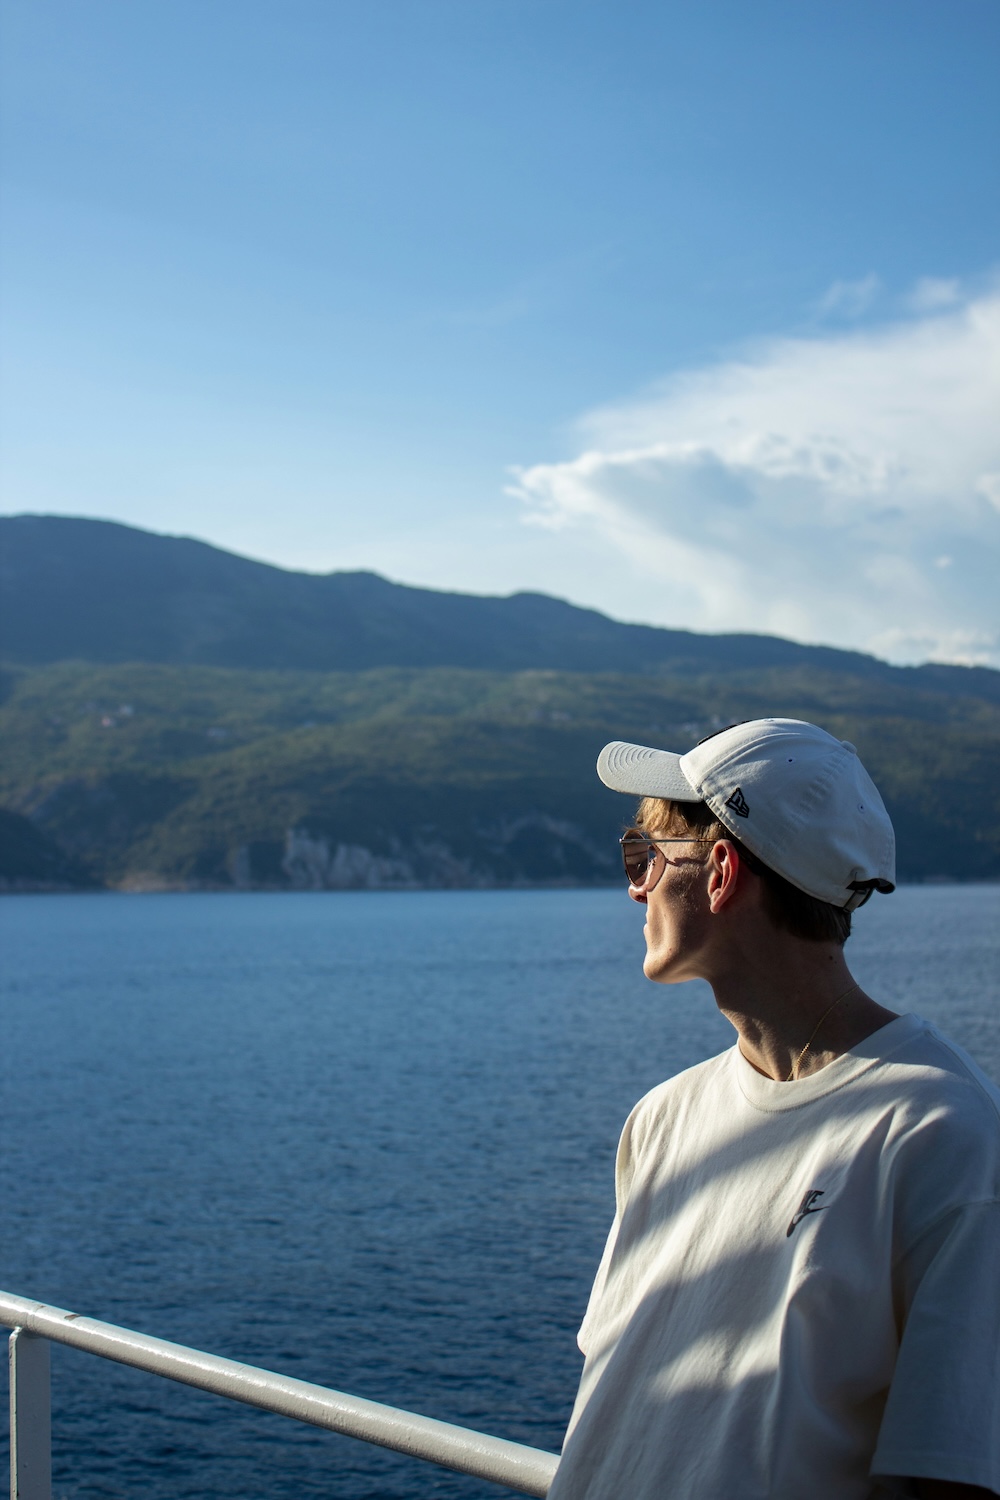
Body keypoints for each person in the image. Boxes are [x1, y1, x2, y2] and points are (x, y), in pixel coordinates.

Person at [548, 718, 1000, 1500]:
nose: (634, 885)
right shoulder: (660, 1121)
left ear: (720, 872)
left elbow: (944, 1480)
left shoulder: (940, 1137)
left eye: (645, 857)